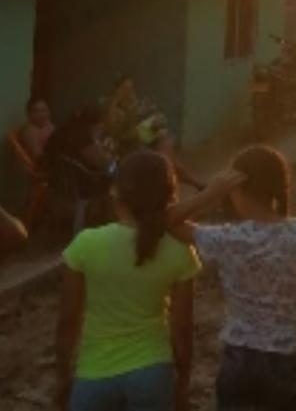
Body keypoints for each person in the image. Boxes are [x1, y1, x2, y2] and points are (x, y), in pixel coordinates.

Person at [169, 145, 296, 411]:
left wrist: (210, 193)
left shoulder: (227, 238)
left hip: (240, 359)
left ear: (237, 189)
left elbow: (165, 220)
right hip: (291, 357)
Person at [54, 150, 201, 411]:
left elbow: (69, 319)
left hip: (94, 375)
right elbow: (182, 330)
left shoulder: (86, 244)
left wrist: (63, 375)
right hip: (152, 373)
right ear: (170, 195)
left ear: (115, 191)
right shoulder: (179, 250)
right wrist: (182, 383)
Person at [19, 96, 55, 161]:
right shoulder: (30, 131)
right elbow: (39, 157)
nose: (41, 115)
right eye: (36, 111)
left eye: (43, 110)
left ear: (48, 112)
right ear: (29, 114)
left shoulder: (47, 124)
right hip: (45, 162)